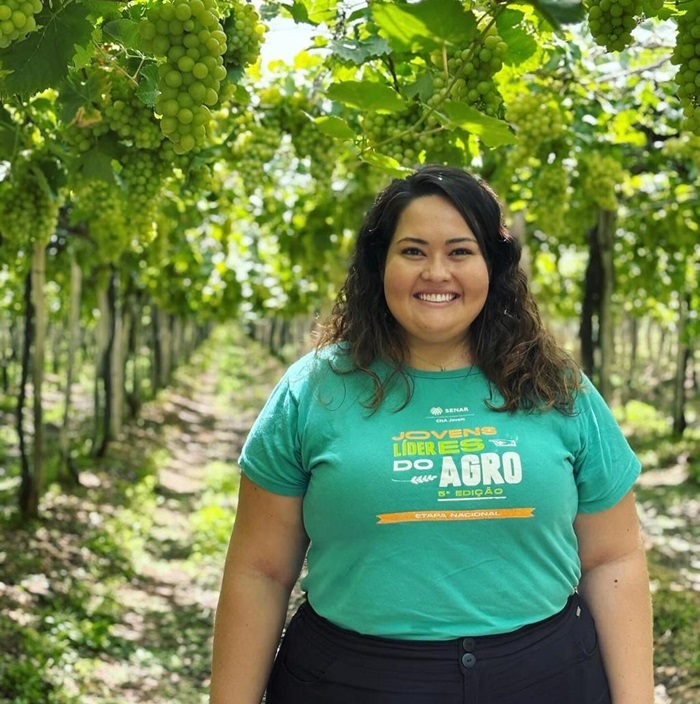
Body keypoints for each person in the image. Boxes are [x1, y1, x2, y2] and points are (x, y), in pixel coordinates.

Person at [210, 165, 654, 704]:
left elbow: (613, 559)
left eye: (461, 251)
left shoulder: (557, 388)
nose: (437, 272)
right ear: (380, 265)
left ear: (494, 265)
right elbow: (260, 571)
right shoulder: (314, 391)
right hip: (351, 683)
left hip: (544, 679)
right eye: (413, 251)